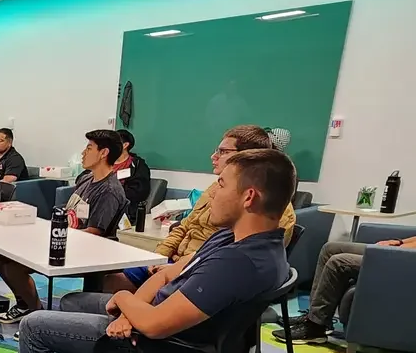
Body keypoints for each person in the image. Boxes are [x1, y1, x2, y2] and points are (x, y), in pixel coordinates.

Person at [0, 147, 296, 353]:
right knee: (73, 301)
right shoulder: (240, 241)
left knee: (34, 325)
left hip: (171, 351)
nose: (212, 194)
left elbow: (155, 325)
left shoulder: (238, 262)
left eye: (221, 184)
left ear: (249, 197)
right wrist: (130, 312)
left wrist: (125, 302)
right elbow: (166, 276)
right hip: (170, 332)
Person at [105, 124, 296, 294]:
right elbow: (185, 226)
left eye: (223, 152)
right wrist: (160, 256)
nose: (213, 157)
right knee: (109, 279)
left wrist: (178, 268)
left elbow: (228, 260)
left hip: (198, 272)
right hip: (177, 262)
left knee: (120, 296)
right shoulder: (214, 189)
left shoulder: (270, 211)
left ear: (248, 157)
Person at [0, 129, 127, 324]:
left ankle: (35, 315)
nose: (83, 153)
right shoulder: (87, 178)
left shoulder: (109, 191)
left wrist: (52, 236)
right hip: (62, 238)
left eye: (89, 148)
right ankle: (25, 303)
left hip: (82, 249)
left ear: (104, 153)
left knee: (14, 265)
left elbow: (93, 233)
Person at [274, 232, 416, 344]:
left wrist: (399, 250)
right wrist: (400, 242)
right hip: (404, 252)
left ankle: (315, 327)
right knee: (330, 249)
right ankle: (315, 316)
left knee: (338, 262)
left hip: (407, 260)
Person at [114, 129, 151, 223]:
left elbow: (139, 191)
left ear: (125, 145)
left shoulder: (137, 165)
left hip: (122, 208)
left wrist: (113, 194)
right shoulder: (103, 161)